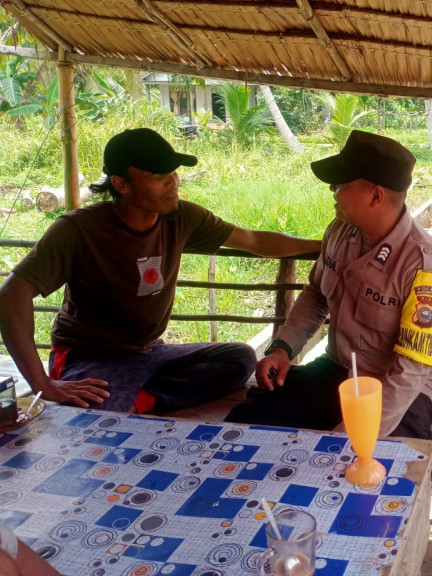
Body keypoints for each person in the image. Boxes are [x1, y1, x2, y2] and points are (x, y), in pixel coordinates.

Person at [0, 128, 321, 414]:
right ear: (121, 183)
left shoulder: (181, 217)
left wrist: (324, 246)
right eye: (157, 175)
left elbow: (252, 240)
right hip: (87, 357)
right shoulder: (78, 230)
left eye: (173, 172)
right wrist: (43, 384)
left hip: (150, 353)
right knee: (97, 404)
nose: (173, 182)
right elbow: (12, 294)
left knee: (240, 359)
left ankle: (136, 401)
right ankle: (125, 399)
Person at [225, 130, 432, 439]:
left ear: (376, 195)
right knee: (249, 421)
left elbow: (411, 370)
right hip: (339, 371)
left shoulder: (426, 269)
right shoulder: (340, 231)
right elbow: (317, 295)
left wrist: (354, 434)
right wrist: (283, 347)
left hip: (398, 387)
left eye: (343, 183)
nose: (333, 190)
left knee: (386, 459)